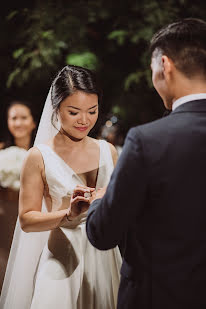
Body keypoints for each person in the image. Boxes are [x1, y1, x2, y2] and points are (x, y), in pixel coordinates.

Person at [85, 18, 206, 309]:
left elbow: (103, 233)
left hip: (159, 296)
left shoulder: (147, 141)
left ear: (165, 65)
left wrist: (100, 201)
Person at [0, 65, 121, 309]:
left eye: (92, 111)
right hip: (63, 258)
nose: (84, 120)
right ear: (56, 109)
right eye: (74, 112)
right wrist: (68, 214)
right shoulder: (38, 156)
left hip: (107, 254)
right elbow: (26, 219)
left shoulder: (107, 151)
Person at [0, 100, 36, 292]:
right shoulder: (1, 152)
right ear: (8, 122)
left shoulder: (43, 152)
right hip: (5, 216)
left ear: (33, 122)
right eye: (14, 118)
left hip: (33, 215)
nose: (19, 123)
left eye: (24, 118)